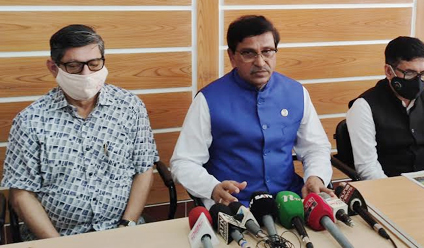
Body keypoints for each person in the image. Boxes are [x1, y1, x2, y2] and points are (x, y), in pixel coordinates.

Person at [2, 24, 158, 240]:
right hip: (58, 237)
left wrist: (127, 225)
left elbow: (144, 169)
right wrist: (58, 244)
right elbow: (21, 193)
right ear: (53, 67)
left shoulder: (130, 107)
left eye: (94, 64)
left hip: (123, 230)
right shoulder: (30, 121)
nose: (86, 74)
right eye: (74, 66)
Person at [170, 15, 332, 206]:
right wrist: (211, 187)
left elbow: (315, 147)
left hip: (290, 198)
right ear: (232, 57)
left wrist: (316, 176)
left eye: (267, 51)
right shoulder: (208, 99)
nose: (261, 62)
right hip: (234, 203)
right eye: (249, 53)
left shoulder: (296, 93)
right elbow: (183, 162)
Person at [346, 36, 424, 180]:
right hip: (387, 183)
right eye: (410, 73)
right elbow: (368, 168)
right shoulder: (363, 107)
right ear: (389, 72)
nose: (418, 81)